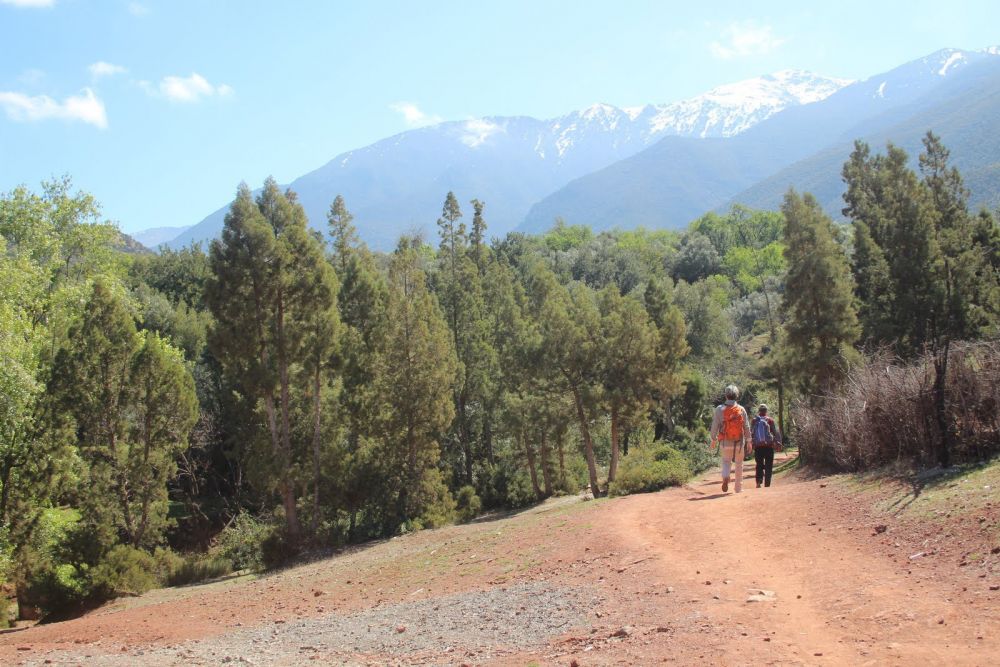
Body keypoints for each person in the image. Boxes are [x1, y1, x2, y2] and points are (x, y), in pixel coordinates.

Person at [709, 385, 751, 493]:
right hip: (739, 442)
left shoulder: (719, 409)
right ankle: (738, 488)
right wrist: (749, 441)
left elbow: (715, 426)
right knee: (739, 464)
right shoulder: (741, 409)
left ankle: (726, 476)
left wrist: (713, 439)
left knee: (726, 461)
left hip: (725, 441)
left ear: (726, 395)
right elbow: (746, 426)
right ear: (737, 396)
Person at [750, 404, 782, 488]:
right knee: (769, 465)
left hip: (758, 447)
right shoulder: (770, 420)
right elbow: (775, 432)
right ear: (766, 411)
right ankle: (767, 484)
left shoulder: (754, 421)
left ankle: (758, 481)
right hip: (769, 446)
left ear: (759, 411)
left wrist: (751, 444)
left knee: (759, 464)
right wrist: (778, 442)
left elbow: (751, 433)